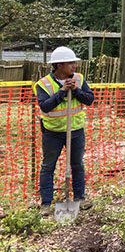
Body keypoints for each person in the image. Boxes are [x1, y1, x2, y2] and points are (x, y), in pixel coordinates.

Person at [33, 46, 95, 214]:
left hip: (76, 131)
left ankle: (80, 198)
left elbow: (89, 99)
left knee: (77, 165)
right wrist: (62, 92)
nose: (74, 66)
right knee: (48, 166)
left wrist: (75, 90)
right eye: (70, 63)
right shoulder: (44, 84)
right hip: (52, 133)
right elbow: (45, 106)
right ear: (59, 65)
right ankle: (46, 204)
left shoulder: (79, 79)